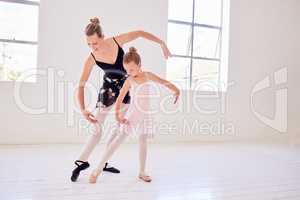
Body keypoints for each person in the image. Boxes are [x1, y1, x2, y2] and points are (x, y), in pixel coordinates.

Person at [71, 17, 171, 182]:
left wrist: (161, 43)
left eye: (95, 43)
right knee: (97, 128)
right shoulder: (91, 58)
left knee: (120, 127)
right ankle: (81, 162)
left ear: (102, 37)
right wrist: (83, 109)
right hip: (108, 91)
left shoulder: (116, 41)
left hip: (125, 90)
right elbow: (81, 85)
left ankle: (104, 162)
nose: (92, 47)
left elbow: (139, 33)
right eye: (88, 44)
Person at [89, 47, 180, 183]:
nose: (128, 72)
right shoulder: (129, 80)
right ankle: (98, 169)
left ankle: (142, 172)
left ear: (139, 66)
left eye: (131, 69)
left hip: (146, 114)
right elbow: (119, 99)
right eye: (126, 70)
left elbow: (163, 81)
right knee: (118, 140)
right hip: (133, 114)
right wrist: (118, 116)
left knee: (143, 141)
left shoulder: (148, 75)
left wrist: (176, 90)